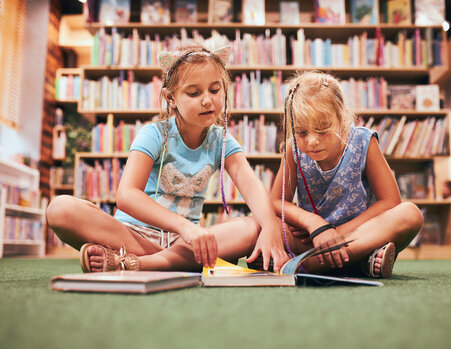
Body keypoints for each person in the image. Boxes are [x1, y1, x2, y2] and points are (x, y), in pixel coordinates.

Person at [46, 43, 288, 273]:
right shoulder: (154, 133)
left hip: (183, 241)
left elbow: (251, 185)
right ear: (171, 98)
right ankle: (172, 262)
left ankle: (133, 262)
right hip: (136, 233)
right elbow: (127, 195)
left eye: (215, 90)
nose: (207, 99)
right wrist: (186, 227)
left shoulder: (221, 140)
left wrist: (270, 228)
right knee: (60, 208)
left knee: (253, 225)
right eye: (193, 92)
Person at [266, 71, 424, 278]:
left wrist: (337, 236)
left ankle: (312, 265)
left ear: (342, 119)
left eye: (322, 130)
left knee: (409, 214)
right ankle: (360, 264)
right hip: (313, 239)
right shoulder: (292, 149)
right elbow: (277, 201)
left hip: (358, 236)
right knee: (262, 224)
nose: (312, 141)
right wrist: (313, 224)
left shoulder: (363, 141)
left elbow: (390, 201)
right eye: (302, 132)